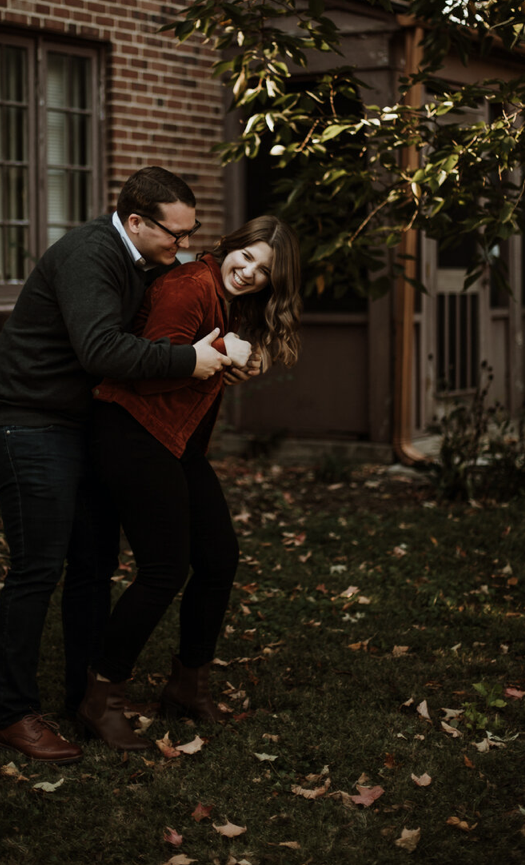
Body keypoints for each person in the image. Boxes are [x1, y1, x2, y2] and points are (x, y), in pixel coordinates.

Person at [0, 167, 232, 763]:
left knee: (92, 567)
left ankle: (82, 701)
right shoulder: (91, 255)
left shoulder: (143, 260)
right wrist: (187, 361)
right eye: (175, 235)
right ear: (137, 222)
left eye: (191, 234)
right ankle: (13, 714)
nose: (183, 247)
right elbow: (100, 348)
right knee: (36, 570)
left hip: (77, 427)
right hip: (26, 423)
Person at [76, 215, 302, 750]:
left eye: (263, 271)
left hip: (176, 443)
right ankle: (100, 696)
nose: (247, 273)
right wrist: (220, 358)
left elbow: (211, 358)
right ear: (230, 246)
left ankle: (187, 684)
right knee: (164, 570)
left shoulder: (229, 299)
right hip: (132, 432)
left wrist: (240, 357)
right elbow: (144, 366)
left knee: (219, 558)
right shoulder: (189, 285)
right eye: (245, 257)